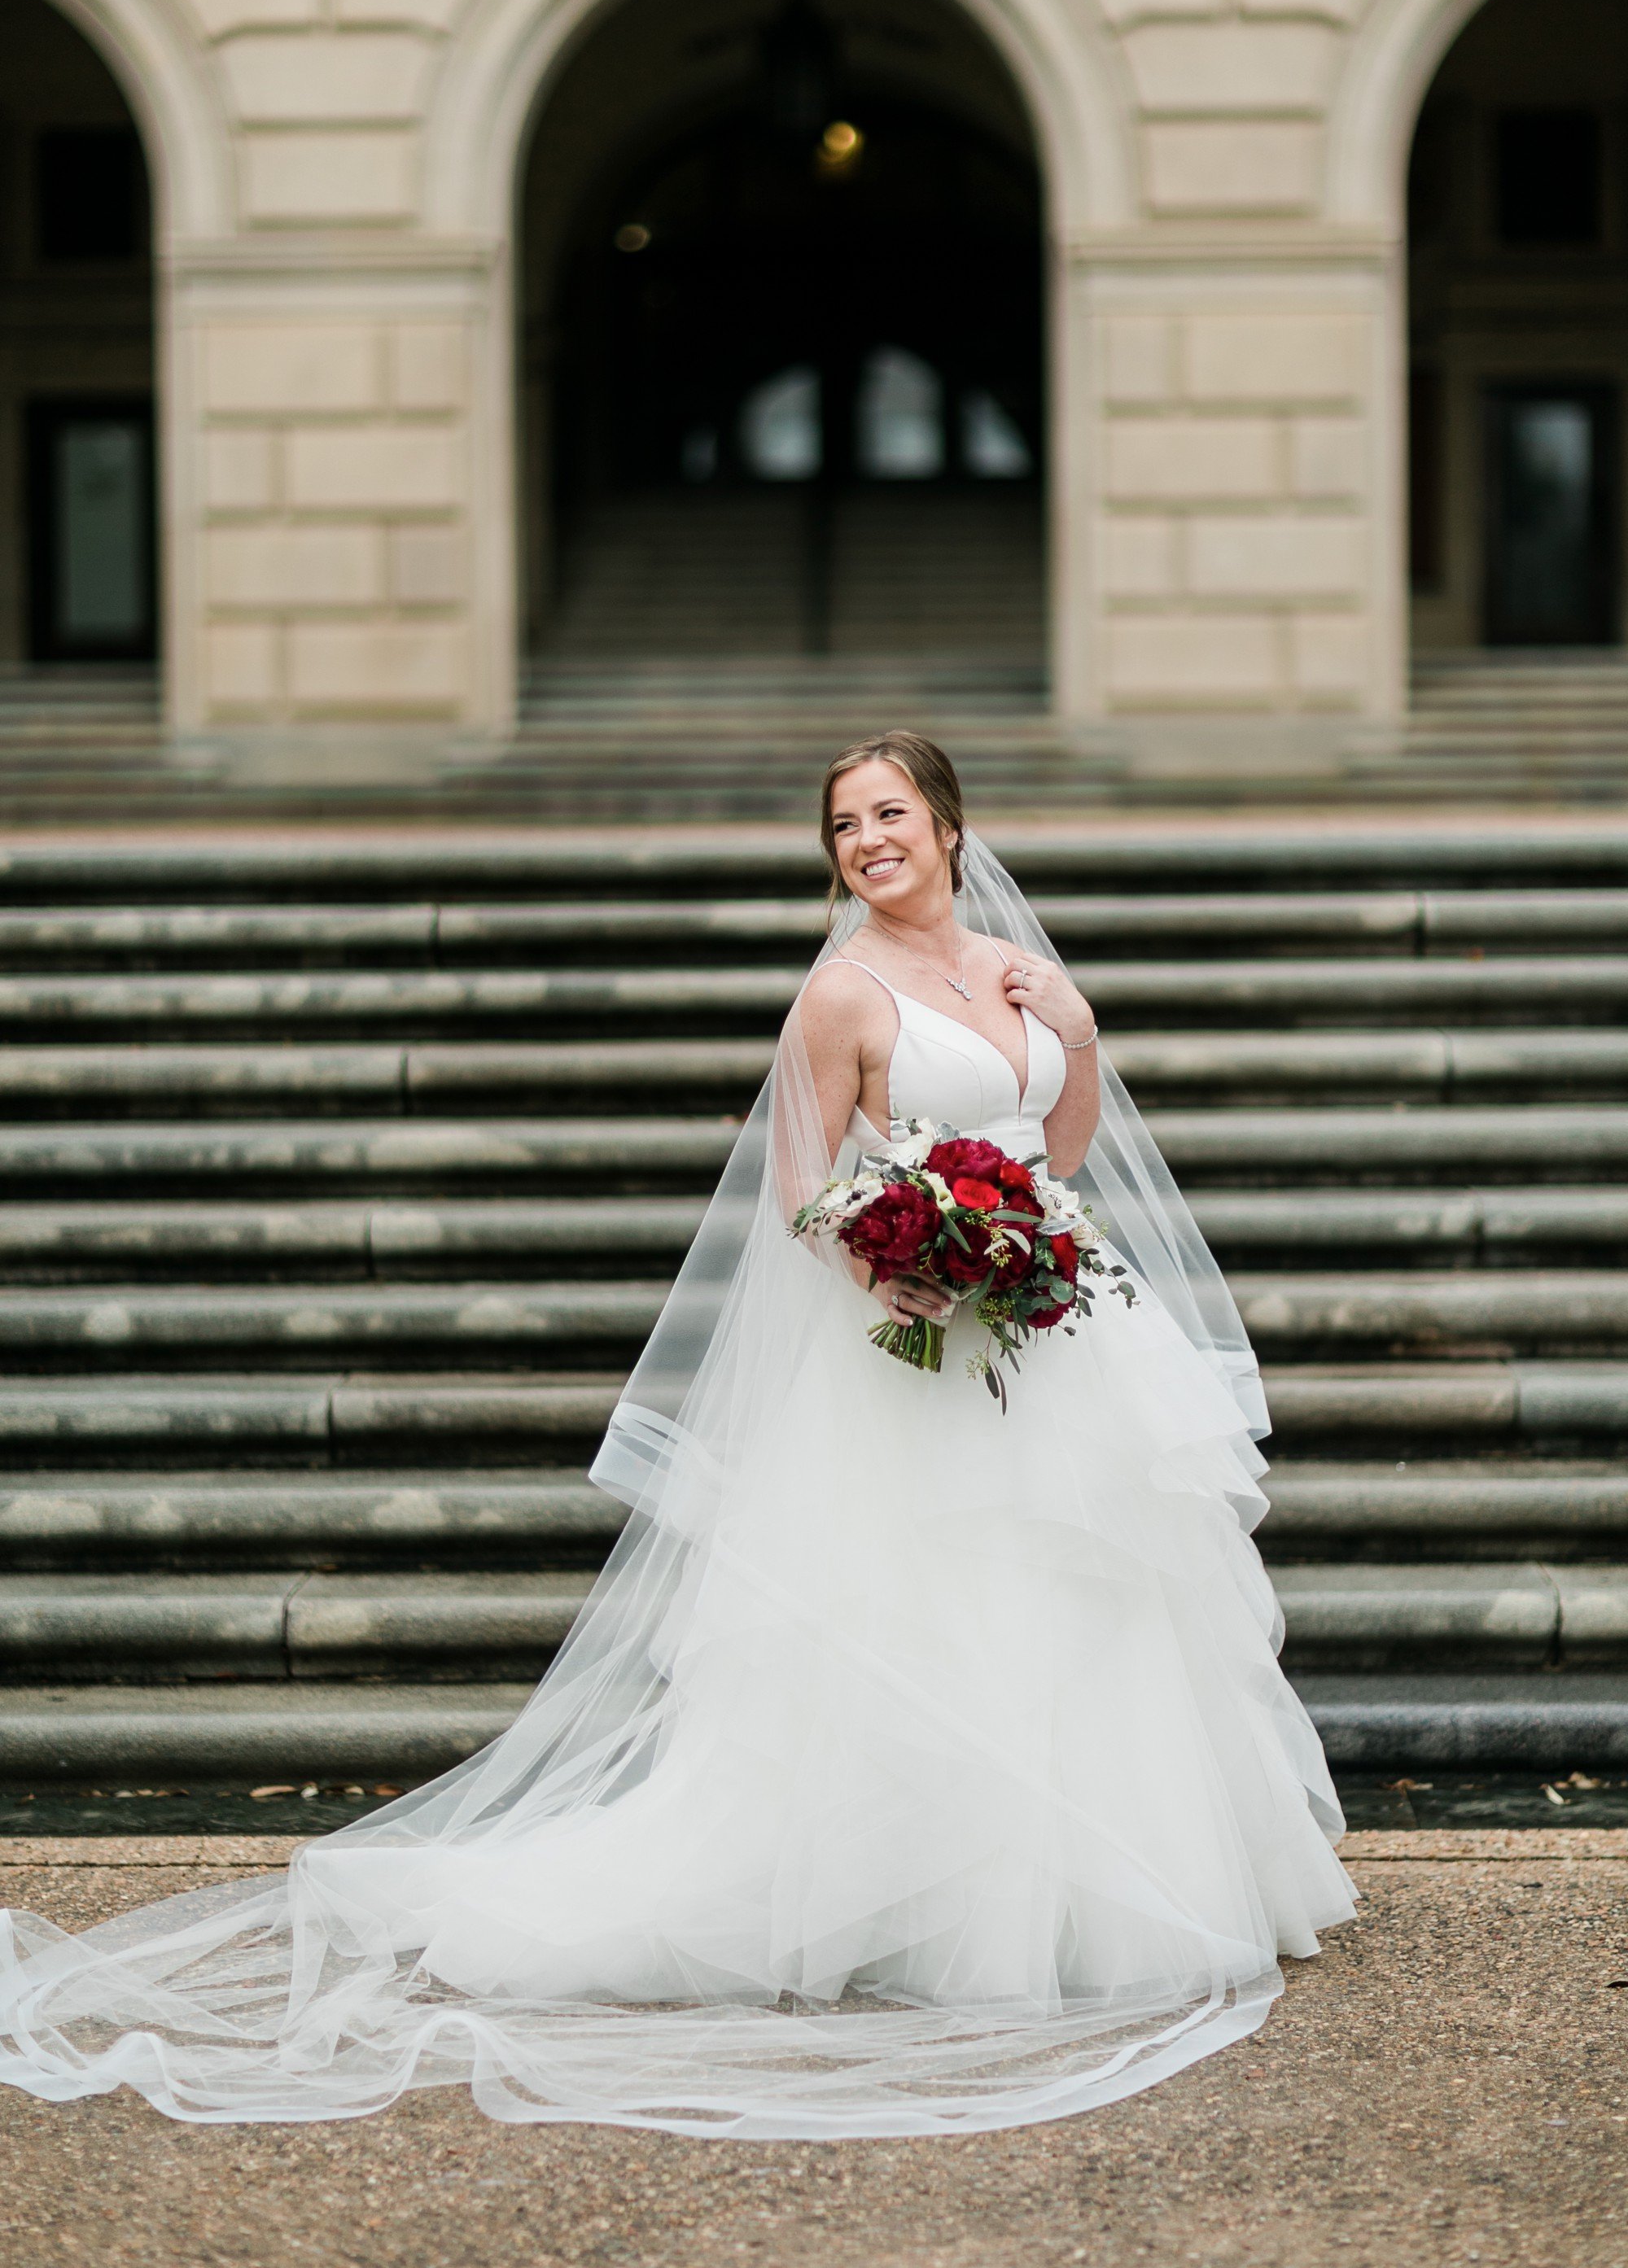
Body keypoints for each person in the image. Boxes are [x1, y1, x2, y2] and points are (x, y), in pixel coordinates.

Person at [0, 733, 1354, 2139]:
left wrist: (1070, 1027)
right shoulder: (839, 993)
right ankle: (897, 1905)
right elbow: (801, 1186)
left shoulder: (1013, 970)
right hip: (912, 1352)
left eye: (891, 813)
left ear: (949, 825)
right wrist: (895, 1263)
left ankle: (1086, 1891)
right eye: (844, 826)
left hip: (1053, 1331)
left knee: (1078, 1602)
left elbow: (1059, 1158)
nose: (869, 840)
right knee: (924, 1614)